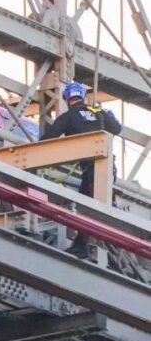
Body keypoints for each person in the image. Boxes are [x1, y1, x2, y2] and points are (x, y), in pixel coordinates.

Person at [40, 82, 122, 255]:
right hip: (107, 168)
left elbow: (49, 137)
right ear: (83, 96)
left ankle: (83, 247)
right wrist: (109, 116)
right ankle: (82, 245)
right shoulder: (99, 112)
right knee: (91, 203)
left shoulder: (68, 116)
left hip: (91, 169)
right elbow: (117, 128)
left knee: (85, 207)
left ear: (67, 98)